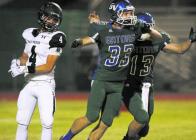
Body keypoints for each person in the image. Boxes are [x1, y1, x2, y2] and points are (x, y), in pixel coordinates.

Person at [60, 0, 162, 140]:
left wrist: (148, 29)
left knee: (106, 122)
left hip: (118, 84)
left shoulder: (134, 29)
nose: (130, 16)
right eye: (126, 13)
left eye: (131, 13)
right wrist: (78, 42)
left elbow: (158, 37)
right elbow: (90, 38)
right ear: (116, 14)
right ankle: (65, 138)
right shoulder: (104, 30)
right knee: (92, 116)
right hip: (101, 80)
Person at [122, 12, 196, 140]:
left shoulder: (157, 40)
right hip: (130, 84)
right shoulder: (128, 39)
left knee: (143, 129)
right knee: (142, 120)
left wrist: (190, 40)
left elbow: (180, 49)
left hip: (147, 86)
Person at [8, 2, 66, 140]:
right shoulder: (30, 33)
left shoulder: (57, 36)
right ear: (42, 16)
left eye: (55, 19)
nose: (52, 21)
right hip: (29, 84)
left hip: (45, 83)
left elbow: (48, 66)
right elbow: (25, 57)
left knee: (47, 122)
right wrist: (17, 63)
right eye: (50, 18)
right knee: (21, 121)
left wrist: (23, 69)